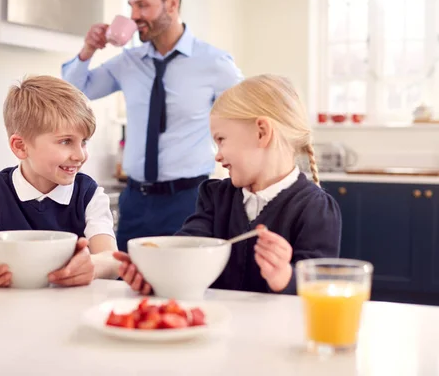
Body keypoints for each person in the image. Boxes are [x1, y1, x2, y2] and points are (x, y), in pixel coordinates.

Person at [113, 75, 342, 295]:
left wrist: (285, 277)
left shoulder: (316, 209)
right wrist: (154, 275)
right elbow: (187, 250)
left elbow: (319, 289)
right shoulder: (214, 196)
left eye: (221, 140)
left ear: (262, 132)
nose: (218, 156)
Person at [62, 0, 243, 252]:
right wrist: (88, 50)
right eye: (131, 6)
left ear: (172, 3)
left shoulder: (216, 64)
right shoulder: (129, 62)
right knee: (125, 285)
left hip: (191, 201)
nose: (134, 16)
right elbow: (73, 90)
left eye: (143, 6)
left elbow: (245, 121)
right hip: (136, 201)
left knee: (184, 286)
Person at [0, 76, 119, 287]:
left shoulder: (89, 194)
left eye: (84, 142)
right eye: (66, 141)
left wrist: (93, 266)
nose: (80, 155)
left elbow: (112, 260)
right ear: (20, 147)